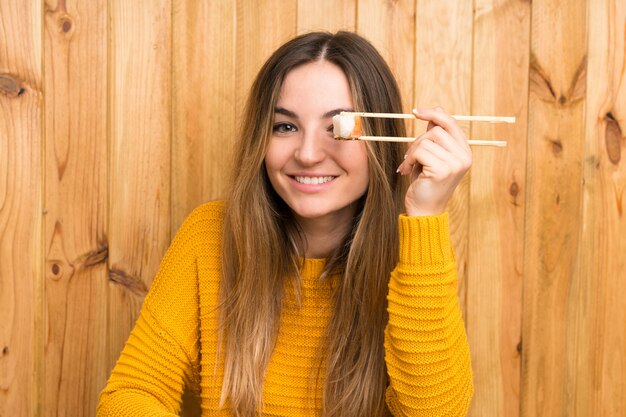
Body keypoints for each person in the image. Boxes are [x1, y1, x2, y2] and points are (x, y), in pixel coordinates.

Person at [97, 31, 473, 417]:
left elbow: (435, 412)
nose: (308, 154)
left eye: (336, 128)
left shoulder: (412, 257)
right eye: (286, 127)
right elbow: (132, 393)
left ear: (382, 139)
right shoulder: (210, 235)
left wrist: (426, 216)